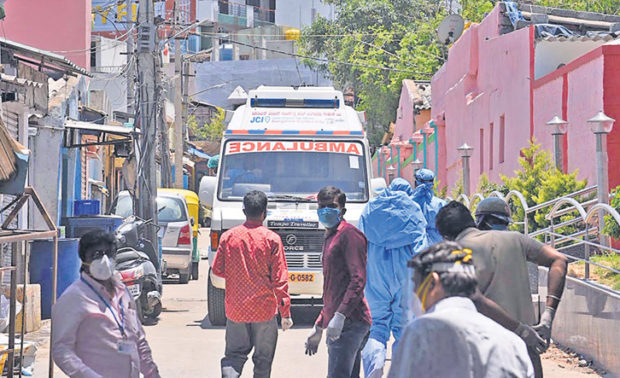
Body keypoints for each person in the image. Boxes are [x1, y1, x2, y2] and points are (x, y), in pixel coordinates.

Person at [436, 201, 569, 378]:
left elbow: (474, 299)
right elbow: (559, 260)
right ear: (472, 222)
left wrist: (520, 330)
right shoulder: (517, 239)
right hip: (526, 351)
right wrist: (548, 315)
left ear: (445, 235)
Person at [388, 241, 534, 378]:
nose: (414, 292)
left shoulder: (421, 331)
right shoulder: (513, 343)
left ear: (433, 282)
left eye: (415, 284)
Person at [52, 230, 160, 378]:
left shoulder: (123, 293)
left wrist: (152, 373)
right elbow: (61, 350)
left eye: (109, 253)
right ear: (84, 259)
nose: (104, 259)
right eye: (97, 255)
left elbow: (138, 339)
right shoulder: (73, 298)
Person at [212, 190, 293, 378]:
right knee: (263, 361)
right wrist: (285, 313)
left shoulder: (229, 237)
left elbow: (217, 269)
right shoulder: (272, 239)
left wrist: (236, 275)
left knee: (233, 356)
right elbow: (280, 279)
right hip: (264, 311)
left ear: (244, 211)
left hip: (236, 310)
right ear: (265, 212)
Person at [358, 178, 427, 378]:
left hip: (376, 272)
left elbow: (361, 241)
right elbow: (421, 247)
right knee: (404, 329)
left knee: (377, 327)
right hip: (407, 273)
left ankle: (375, 366)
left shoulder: (371, 209)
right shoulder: (413, 209)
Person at [305, 186, 371, 378]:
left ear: (342, 210)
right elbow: (333, 287)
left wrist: (340, 316)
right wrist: (319, 324)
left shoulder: (349, 235)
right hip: (341, 320)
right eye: (321, 206)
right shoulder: (330, 236)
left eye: (331, 206)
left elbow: (358, 279)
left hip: (350, 321)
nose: (326, 210)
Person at [410, 169, 446, 245]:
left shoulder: (408, 203)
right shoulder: (441, 204)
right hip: (437, 246)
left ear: (416, 183)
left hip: (414, 247)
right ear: (432, 184)